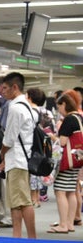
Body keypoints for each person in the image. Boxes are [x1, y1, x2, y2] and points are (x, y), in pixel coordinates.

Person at [0, 72, 36, 240]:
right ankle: (18, 237)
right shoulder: (27, 106)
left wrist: (2, 154)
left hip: (17, 160)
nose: (2, 91)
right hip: (23, 159)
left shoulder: (15, 107)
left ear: (15, 87)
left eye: (5, 88)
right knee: (17, 201)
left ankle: (29, 239)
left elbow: (10, 138)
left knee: (21, 202)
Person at [48, 90, 83, 234]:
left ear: (64, 104)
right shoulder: (79, 117)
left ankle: (63, 224)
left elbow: (62, 142)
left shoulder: (69, 119)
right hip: (78, 159)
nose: (59, 111)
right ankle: (70, 223)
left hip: (67, 161)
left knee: (60, 191)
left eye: (59, 107)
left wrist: (51, 136)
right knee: (71, 192)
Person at [0, 75, 13, 228]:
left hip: (8, 153)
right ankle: (6, 216)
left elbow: (5, 130)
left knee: (5, 187)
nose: (1, 91)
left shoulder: (9, 105)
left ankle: (6, 217)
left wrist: (2, 155)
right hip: (12, 154)